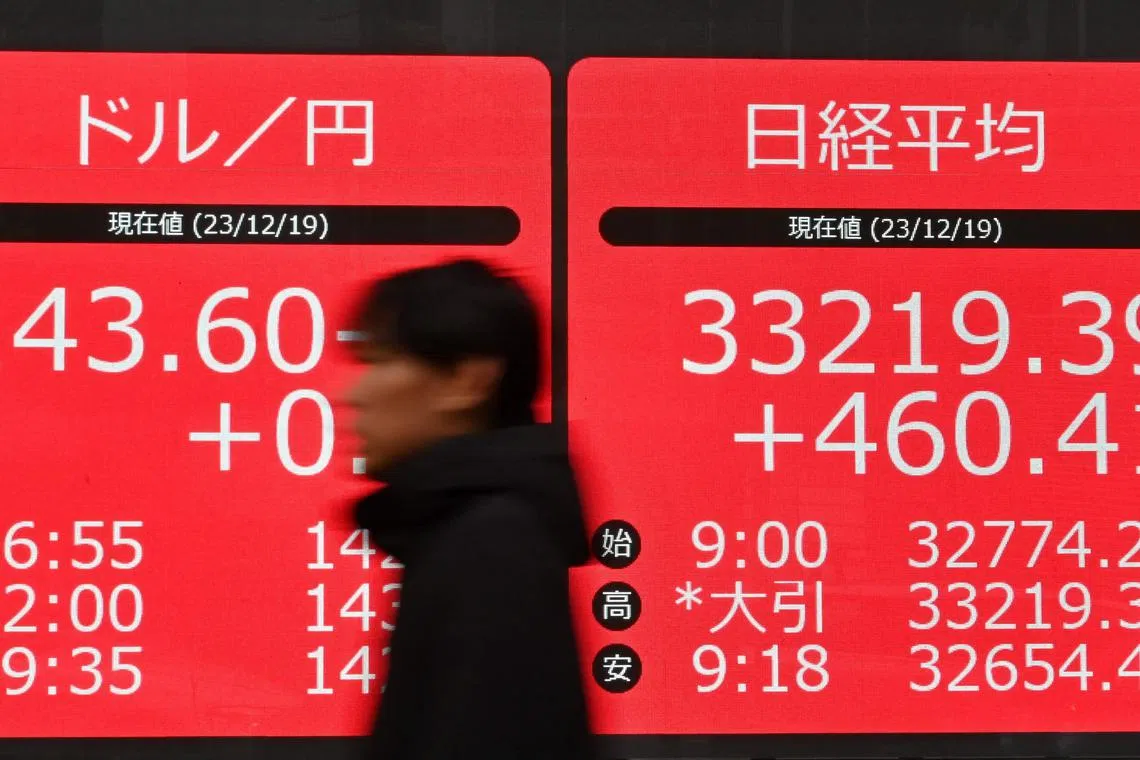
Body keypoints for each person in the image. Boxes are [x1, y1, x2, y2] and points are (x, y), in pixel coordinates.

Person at [343, 257, 595, 760]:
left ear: (468, 381)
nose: (354, 393)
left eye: (384, 360)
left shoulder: (493, 543)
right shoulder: (461, 527)